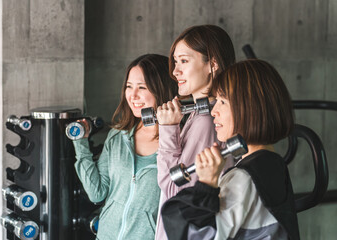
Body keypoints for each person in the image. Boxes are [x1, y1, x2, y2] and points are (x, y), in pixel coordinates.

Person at [161, 59, 300, 240]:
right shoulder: (272, 164)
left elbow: (193, 235)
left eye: (223, 102)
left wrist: (206, 185)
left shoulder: (244, 179)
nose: (214, 111)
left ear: (249, 107)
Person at [72, 54, 178, 240]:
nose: (133, 95)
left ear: (161, 89)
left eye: (142, 87)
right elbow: (97, 193)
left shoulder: (175, 143)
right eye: (129, 86)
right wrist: (81, 142)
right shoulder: (118, 135)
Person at [154, 25, 236, 240]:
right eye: (175, 61)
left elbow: (175, 191)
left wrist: (168, 129)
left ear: (213, 64)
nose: (175, 71)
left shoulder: (207, 121)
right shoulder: (201, 114)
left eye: (184, 60)